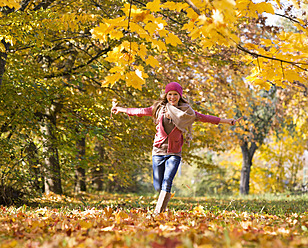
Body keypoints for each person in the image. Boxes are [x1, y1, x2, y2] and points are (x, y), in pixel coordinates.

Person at [111, 82, 242, 214]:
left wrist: (227, 121)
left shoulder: (187, 112)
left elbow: (206, 118)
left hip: (174, 152)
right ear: (166, 95)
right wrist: (121, 109)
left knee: (167, 181)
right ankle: (162, 206)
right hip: (158, 151)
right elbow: (140, 111)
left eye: (175, 94)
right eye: (170, 94)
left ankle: (158, 212)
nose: (172, 97)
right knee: (158, 186)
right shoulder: (158, 108)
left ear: (180, 96)